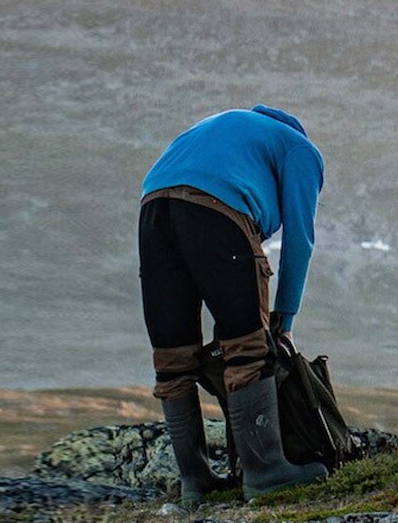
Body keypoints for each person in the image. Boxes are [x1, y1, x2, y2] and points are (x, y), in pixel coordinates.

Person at [137, 105, 329, 500]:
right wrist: (284, 318)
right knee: (246, 347)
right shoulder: (301, 150)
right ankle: (265, 473)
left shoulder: (222, 127)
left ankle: (195, 482)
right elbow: (300, 240)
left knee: (173, 358)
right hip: (216, 210)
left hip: (153, 209)